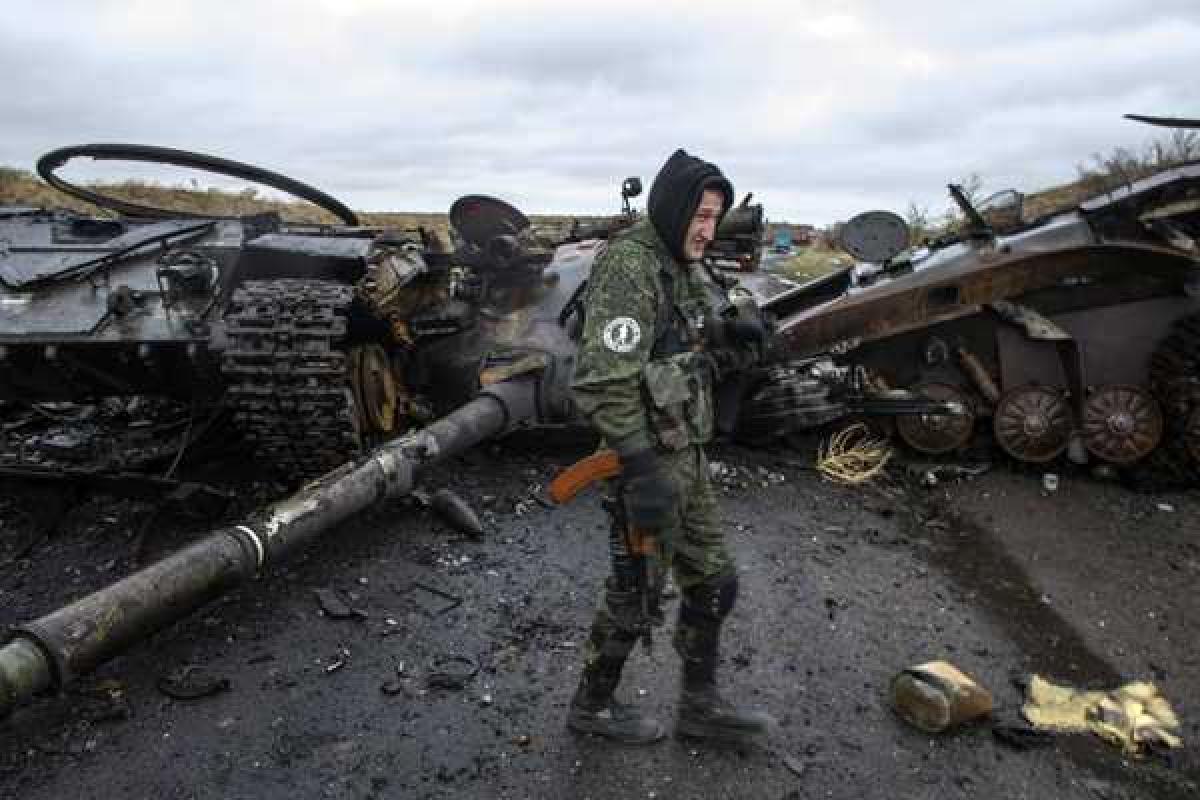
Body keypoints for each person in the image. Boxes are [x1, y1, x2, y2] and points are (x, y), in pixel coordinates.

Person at [566, 149, 775, 745]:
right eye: (700, 216)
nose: (707, 230)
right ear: (674, 209)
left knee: (714, 581)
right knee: (634, 598)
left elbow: (715, 305)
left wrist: (739, 324)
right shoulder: (630, 267)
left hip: (688, 453)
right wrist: (639, 470)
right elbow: (602, 382)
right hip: (646, 461)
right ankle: (590, 707)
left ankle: (699, 708)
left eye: (716, 218)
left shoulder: (684, 261)